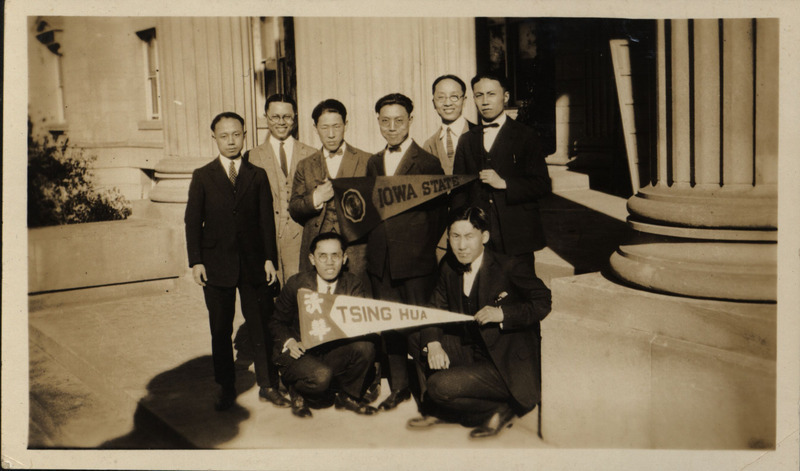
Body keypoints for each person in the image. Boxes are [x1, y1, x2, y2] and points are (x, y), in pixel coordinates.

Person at [406, 206, 552, 438]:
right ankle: (438, 409)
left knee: (439, 386)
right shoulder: (449, 265)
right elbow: (435, 308)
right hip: (471, 348)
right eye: (455, 236)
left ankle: (501, 409)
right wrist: (433, 344)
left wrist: (503, 314)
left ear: (484, 237)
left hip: (504, 362)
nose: (461, 245)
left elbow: (543, 301)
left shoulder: (508, 265)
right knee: (418, 339)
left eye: (469, 236)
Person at [184, 111, 290, 411]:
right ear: (214, 138)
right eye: (224, 136)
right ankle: (226, 387)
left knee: (261, 326)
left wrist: (269, 259)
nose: (231, 141)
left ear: (244, 135)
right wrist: (197, 261)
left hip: (254, 264)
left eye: (236, 134)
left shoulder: (257, 175)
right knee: (220, 329)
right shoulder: (203, 176)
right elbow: (192, 221)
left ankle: (268, 385)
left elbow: (266, 220)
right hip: (216, 265)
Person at [366, 93, 446, 411]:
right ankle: (399, 387)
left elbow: (438, 215)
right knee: (391, 325)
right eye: (385, 121)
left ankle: (430, 394)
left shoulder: (427, 163)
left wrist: (418, 247)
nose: (392, 127)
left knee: (422, 325)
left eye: (399, 121)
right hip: (381, 261)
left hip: (416, 261)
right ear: (378, 122)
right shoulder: (374, 162)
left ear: (410, 120)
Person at [268, 232, 379, 418]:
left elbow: (359, 323)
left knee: (366, 347)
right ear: (312, 259)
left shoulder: (353, 284)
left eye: (335, 255)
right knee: (321, 377)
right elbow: (276, 321)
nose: (329, 262)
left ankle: (348, 396)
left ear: (344, 258)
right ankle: (296, 390)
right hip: (299, 352)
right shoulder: (297, 283)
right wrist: (290, 342)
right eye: (323, 256)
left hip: (331, 349)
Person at [452, 72, 551, 267]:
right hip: (479, 233)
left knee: (522, 283)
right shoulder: (466, 140)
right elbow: (458, 190)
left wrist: (505, 184)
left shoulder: (526, 136)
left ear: (505, 97)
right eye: (479, 95)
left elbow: (542, 185)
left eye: (491, 94)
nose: (485, 101)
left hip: (517, 233)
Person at [289, 98, 371, 291]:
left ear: (346, 125)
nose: (331, 134)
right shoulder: (305, 165)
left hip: (355, 253)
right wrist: (315, 198)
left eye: (336, 126)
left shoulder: (367, 160)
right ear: (315, 128)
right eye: (325, 127)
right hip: (317, 252)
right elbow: (294, 208)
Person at [247, 94, 316, 285]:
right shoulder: (251, 156)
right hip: (265, 242)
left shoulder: (312, 154)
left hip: (301, 240)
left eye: (287, 117)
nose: (281, 122)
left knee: (300, 291)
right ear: (266, 117)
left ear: (295, 118)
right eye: (275, 117)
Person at [422, 74, 476, 175]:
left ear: (464, 101)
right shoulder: (429, 145)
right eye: (441, 97)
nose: (447, 103)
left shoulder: (480, 134)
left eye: (454, 97)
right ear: (433, 103)